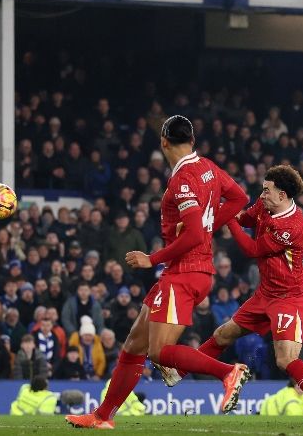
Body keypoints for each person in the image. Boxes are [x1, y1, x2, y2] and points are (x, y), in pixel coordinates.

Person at [66, 115, 250, 429]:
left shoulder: (181, 180)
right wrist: (209, 226)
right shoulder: (208, 168)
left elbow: (192, 234)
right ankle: (102, 417)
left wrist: (152, 258)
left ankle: (228, 372)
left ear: (163, 142)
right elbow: (240, 198)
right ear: (191, 140)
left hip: (184, 272)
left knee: (161, 352)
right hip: (190, 271)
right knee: (133, 347)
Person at [183, 165, 303, 426]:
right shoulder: (266, 204)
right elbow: (245, 219)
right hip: (265, 294)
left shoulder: (292, 226)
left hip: (290, 298)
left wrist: (227, 218)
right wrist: (220, 212)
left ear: (282, 195)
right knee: (223, 334)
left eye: (267, 190)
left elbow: (251, 248)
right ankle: (180, 369)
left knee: (285, 360)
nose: (262, 194)